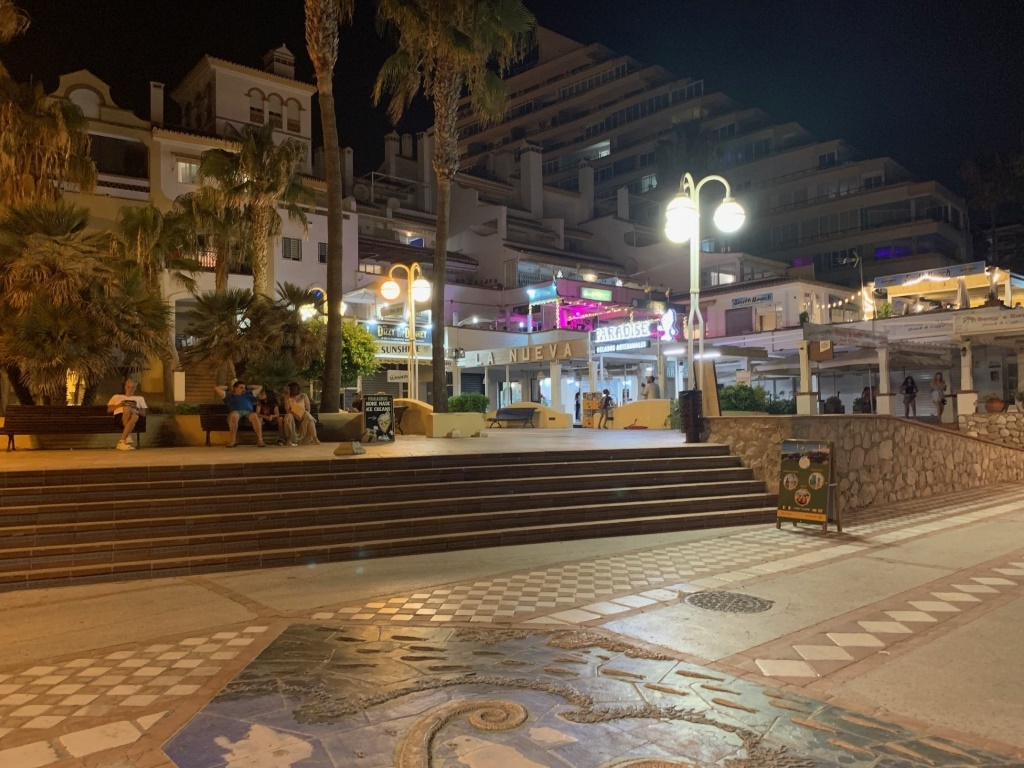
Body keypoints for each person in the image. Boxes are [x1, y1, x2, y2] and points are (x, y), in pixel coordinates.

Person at [215, 380, 264, 447]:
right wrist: (229, 387)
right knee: (234, 415)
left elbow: (260, 387)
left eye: (244, 388)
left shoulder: (249, 395)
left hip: (248, 414)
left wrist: (248, 387)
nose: (243, 389)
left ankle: (260, 440)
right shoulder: (229, 396)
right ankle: (233, 441)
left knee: (255, 415)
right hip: (236, 413)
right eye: (241, 387)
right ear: (235, 388)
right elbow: (217, 388)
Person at [107, 378, 147, 451]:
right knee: (127, 408)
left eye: (133, 387)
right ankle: (127, 435)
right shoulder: (116, 397)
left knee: (134, 415)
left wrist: (135, 407)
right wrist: (119, 405)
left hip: (135, 418)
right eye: (128, 387)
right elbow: (109, 409)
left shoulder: (140, 398)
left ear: (135, 388)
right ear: (125, 387)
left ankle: (122, 441)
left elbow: (144, 413)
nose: (130, 389)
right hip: (120, 418)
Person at [284, 381, 320, 446]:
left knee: (308, 416)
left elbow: (308, 409)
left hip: (303, 415)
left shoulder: (304, 396)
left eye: (289, 389)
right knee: (288, 416)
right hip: (293, 416)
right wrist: (295, 415)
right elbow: (287, 410)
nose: (288, 390)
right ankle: (289, 439)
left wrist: (301, 415)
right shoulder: (287, 398)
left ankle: (315, 438)